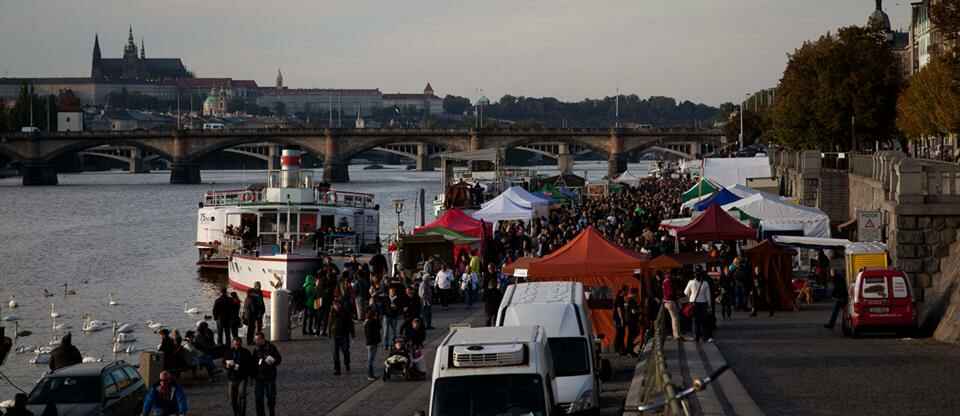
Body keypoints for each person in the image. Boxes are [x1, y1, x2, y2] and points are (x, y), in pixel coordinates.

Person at [252, 332, 281, 416]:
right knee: (258, 399)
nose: (256, 341)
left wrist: (272, 361)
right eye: (255, 339)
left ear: (262, 339)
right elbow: (253, 363)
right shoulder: (256, 349)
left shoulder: (271, 348)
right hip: (259, 378)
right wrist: (253, 374)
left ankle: (272, 413)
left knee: (271, 398)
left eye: (257, 339)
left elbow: (279, 359)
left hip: (269, 377)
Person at [224, 337, 253, 416]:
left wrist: (250, 377)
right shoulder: (228, 352)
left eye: (238, 343)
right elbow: (224, 363)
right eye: (235, 343)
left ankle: (242, 414)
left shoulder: (246, 352)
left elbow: (250, 365)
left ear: (241, 343)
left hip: (242, 378)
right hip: (231, 378)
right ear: (233, 343)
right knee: (232, 400)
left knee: (242, 397)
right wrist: (227, 366)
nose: (236, 345)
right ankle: (236, 413)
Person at [327, 296, 355, 375]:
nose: (336, 306)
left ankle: (347, 364)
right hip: (334, 335)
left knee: (345, 351)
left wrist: (352, 334)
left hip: (344, 334)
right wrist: (329, 332)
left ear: (340, 304)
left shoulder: (345, 312)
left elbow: (350, 323)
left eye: (337, 304)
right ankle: (337, 369)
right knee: (335, 353)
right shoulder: (332, 312)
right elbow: (330, 323)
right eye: (334, 304)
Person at [684, 271, 714, 343]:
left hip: (693, 303)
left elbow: (685, 292)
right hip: (703, 303)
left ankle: (696, 337)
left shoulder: (691, 282)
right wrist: (709, 305)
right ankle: (704, 337)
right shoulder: (705, 283)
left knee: (695, 320)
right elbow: (708, 296)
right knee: (703, 321)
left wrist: (690, 296)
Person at [662, 272, 682, 340]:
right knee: (675, 318)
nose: (671, 275)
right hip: (670, 301)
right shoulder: (668, 282)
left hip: (666, 301)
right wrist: (676, 296)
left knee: (673, 318)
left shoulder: (664, 281)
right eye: (670, 274)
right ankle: (676, 335)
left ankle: (676, 334)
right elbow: (670, 293)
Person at [363, 309, 382, 381]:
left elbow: (380, 327)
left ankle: (371, 374)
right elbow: (369, 334)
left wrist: (377, 320)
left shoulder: (373, 321)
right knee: (370, 360)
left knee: (371, 359)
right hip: (371, 343)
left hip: (373, 343)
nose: (376, 316)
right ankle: (370, 375)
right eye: (375, 315)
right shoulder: (369, 323)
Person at [624, 288, 642, 356]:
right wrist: (640, 311)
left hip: (630, 321)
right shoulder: (632, 301)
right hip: (632, 321)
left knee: (630, 336)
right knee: (633, 336)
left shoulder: (628, 300)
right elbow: (633, 311)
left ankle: (629, 350)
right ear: (634, 294)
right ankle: (631, 351)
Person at [613, 286, 627, 355]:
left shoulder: (620, 298)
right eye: (626, 291)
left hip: (618, 319)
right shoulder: (619, 299)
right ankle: (618, 349)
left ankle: (621, 349)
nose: (627, 293)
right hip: (619, 319)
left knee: (621, 334)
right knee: (620, 334)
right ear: (623, 291)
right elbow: (619, 309)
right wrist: (621, 319)